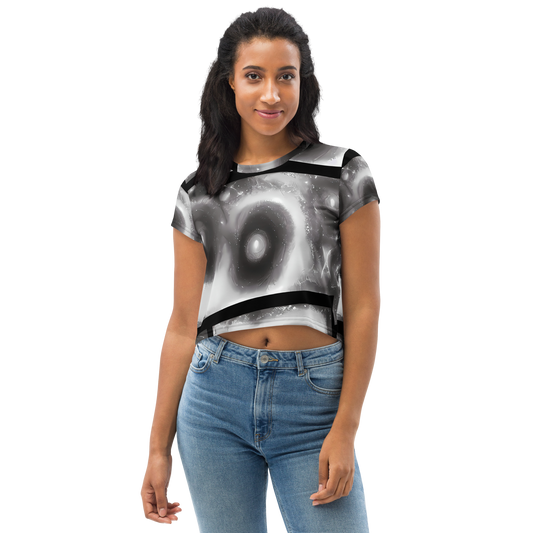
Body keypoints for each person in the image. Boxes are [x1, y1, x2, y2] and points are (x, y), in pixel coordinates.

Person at [139, 4, 383, 531]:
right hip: (213, 400)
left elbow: (366, 307)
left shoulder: (344, 171)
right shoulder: (197, 190)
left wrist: (346, 428)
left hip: (314, 403)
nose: (271, 94)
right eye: (254, 76)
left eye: (285, 76)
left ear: (303, 82)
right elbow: (181, 324)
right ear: (230, 81)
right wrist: (157, 449)